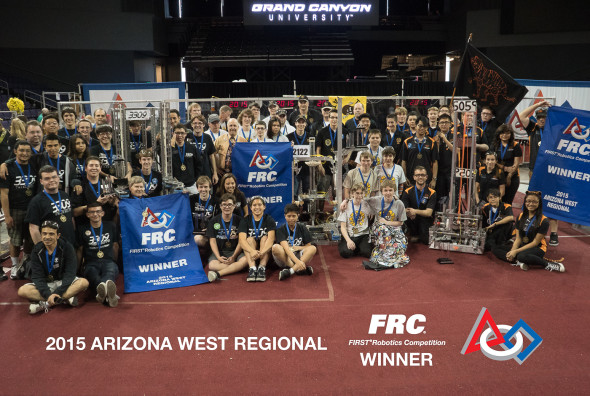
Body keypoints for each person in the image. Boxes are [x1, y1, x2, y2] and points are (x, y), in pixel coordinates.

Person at [17, 221, 89, 314]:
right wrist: (48, 294)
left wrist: (58, 292)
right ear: (41, 234)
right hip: (47, 284)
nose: (47, 237)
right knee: (22, 291)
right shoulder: (36, 250)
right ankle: (64, 299)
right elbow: (37, 277)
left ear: (58, 235)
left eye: (51, 234)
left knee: (84, 283)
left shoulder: (67, 247)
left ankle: (46, 303)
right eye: (44, 233)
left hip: (63, 282)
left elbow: (70, 273)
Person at [492, 190, 565, 272]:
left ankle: (547, 264)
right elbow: (518, 238)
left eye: (534, 202)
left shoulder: (544, 220)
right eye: (528, 201)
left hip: (537, 248)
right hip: (523, 246)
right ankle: (519, 262)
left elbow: (535, 243)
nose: (531, 204)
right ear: (525, 202)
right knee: (496, 248)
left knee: (521, 256)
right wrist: (513, 251)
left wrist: (516, 251)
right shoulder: (520, 216)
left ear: (539, 203)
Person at [520, 102, 560, 247]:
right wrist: (540, 104)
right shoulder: (533, 129)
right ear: (536, 118)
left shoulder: (555, 131)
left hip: (551, 172)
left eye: (544, 117)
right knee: (532, 200)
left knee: (551, 201)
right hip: (534, 171)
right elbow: (522, 115)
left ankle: (554, 233)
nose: (542, 119)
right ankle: (529, 230)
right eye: (539, 117)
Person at [0, 141, 38, 279]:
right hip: (15, 209)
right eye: (21, 150)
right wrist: (7, 215)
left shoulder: (34, 165)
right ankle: (15, 265)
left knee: (29, 239)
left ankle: (25, 262)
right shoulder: (8, 168)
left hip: (32, 209)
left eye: (28, 151)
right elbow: (3, 194)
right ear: (15, 151)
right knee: (15, 240)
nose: (25, 153)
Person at [77, 202, 120, 307]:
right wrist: (78, 269)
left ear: (103, 213)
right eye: (92, 212)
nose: (95, 214)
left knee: (110, 272)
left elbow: (115, 245)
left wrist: (114, 262)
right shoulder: (82, 229)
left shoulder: (111, 225)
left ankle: (103, 292)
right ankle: (109, 294)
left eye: (98, 211)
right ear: (87, 214)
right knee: (93, 275)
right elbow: (80, 250)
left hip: (108, 261)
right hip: (91, 263)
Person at [26, 165, 76, 247]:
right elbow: (33, 228)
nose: (52, 180)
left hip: (70, 244)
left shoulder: (65, 195)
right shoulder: (36, 201)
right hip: (51, 246)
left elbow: (71, 218)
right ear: (41, 181)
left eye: (54, 177)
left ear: (58, 178)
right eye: (47, 178)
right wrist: (41, 248)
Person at [364, 180, 409, 269]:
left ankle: (385, 262)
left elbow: (401, 222)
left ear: (394, 191)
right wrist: (346, 201)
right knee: (383, 230)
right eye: (385, 190)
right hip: (380, 229)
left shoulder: (399, 203)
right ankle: (385, 261)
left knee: (398, 247)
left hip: (395, 229)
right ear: (382, 191)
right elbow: (359, 199)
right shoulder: (376, 200)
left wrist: (387, 222)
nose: (388, 193)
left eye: (390, 190)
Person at [206, 193, 248, 282]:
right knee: (212, 265)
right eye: (224, 205)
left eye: (229, 204)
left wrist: (234, 256)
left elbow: (241, 241)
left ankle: (219, 273)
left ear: (234, 206)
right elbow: (212, 241)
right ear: (220, 206)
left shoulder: (240, 220)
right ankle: (236, 268)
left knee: (245, 260)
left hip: (236, 251)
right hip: (220, 252)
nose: (227, 207)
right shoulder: (213, 221)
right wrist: (218, 257)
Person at [272, 203, 316, 281]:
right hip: (285, 258)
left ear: (298, 216)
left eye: (293, 216)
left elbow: (308, 246)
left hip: (298, 255)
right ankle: (299, 268)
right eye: (289, 216)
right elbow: (286, 248)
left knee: (313, 248)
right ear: (285, 216)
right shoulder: (281, 229)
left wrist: (298, 247)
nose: (291, 218)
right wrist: (298, 263)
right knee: (275, 247)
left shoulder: (302, 228)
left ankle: (290, 271)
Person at [238, 196, 276, 282]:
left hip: (265, 253)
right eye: (254, 205)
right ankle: (252, 268)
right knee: (249, 239)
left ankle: (261, 268)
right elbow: (241, 240)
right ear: (250, 208)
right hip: (251, 254)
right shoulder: (245, 220)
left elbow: (271, 239)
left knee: (265, 238)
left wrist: (262, 252)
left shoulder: (269, 219)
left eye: (259, 204)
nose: (257, 207)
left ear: (264, 206)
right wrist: (252, 251)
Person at [401, 166, 437, 244]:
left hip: (425, 220)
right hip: (411, 219)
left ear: (426, 177)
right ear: (414, 177)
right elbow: (404, 209)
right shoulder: (407, 191)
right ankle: (413, 235)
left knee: (426, 241)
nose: (420, 177)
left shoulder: (432, 192)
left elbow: (429, 213)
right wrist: (410, 213)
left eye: (422, 175)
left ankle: (416, 237)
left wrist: (415, 211)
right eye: (417, 175)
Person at [337, 183, 373, 258]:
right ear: (352, 194)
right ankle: (354, 246)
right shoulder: (346, 206)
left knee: (367, 253)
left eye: (361, 193)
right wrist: (348, 240)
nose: (359, 196)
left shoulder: (367, 204)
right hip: (351, 234)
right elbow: (343, 227)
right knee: (345, 253)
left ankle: (359, 248)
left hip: (363, 235)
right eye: (357, 193)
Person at [401, 116, 438, 188]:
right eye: (420, 126)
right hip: (410, 178)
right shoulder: (407, 141)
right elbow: (403, 161)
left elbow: (435, 162)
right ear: (415, 126)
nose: (422, 128)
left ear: (427, 128)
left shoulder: (432, 142)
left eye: (424, 126)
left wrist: (434, 179)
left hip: (427, 179)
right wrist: (404, 177)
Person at [492, 124, 522, 205]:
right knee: (497, 200)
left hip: (513, 176)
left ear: (511, 134)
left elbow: (516, 164)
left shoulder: (515, 145)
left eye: (507, 133)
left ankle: (507, 216)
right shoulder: (495, 145)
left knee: (508, 202)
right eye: (502, 133)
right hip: (497, 175)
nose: (504, 135)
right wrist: (504, 168)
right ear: (498, 134)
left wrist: (509, 176)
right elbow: (492, 161)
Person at [171, 124, 204, 195]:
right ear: (173, 134)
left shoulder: (192, 148)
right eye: (177, 133)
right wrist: (171, 146)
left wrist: (195, 179)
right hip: (175, 186)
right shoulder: (169, 149)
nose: (180, 135)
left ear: (185, 134)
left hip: (191, 185)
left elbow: (199, 165)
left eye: (182, 133)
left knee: (194, 203)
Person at [188, 114, 218, 184]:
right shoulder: (187, 137)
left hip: (206, 173)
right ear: (192, 125)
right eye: (195, 123)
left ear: (204, 125)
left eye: (200, 123)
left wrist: (215, 173)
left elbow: (211, 156)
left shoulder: (207, 137)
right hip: (192, 174)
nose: (197, 125)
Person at [190, 175, 219, 247]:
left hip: (211, 233)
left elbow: (219, 220)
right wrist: (182, 195)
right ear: (197, 188)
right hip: (195, 233)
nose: (203, 189)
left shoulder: (216, 201)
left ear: (210, 188)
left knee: (198, 239)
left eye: (206, 187)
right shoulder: (191, 199)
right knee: (197, 238)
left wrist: (210, 229)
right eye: (201, 187)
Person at [434, 114, 455, 208]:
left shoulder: (454, 135)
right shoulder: (435, 136)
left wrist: (445, 139)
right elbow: (435, 155)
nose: (443, 124)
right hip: (439, 172)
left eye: (446, 122)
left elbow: (456, 151)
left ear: (450, 124)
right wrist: (437, 144)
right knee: (440, 196)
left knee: (452, 195)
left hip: (451, 170)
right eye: (441, 123)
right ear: (438, 124)